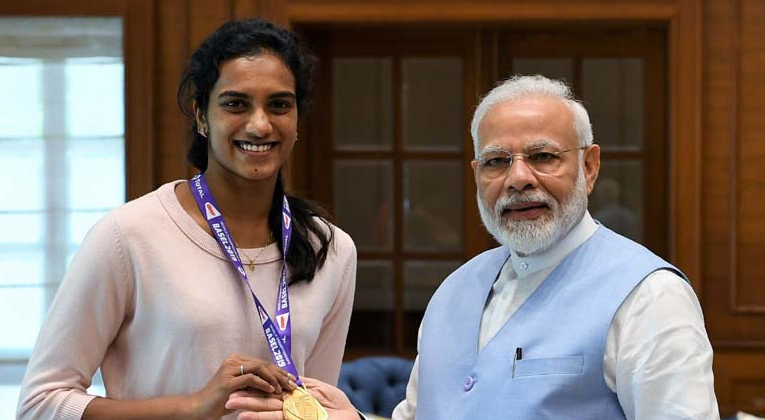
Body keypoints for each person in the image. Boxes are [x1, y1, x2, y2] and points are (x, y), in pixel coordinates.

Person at [228, 75, 719, 420]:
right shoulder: (456, 290)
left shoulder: (648, 296)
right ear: (476, 175)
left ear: (589, 167)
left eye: (544, 156)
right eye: (496, 162)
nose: (518, 179)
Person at [17, 18, 356, 420]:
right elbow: (40, 404)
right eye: (235, 103)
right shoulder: (129, 236)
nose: (260, 124)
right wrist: (192, 408)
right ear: (200, 115)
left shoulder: (331, 249)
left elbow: (317, 405)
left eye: (279, 104)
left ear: (298, 118)